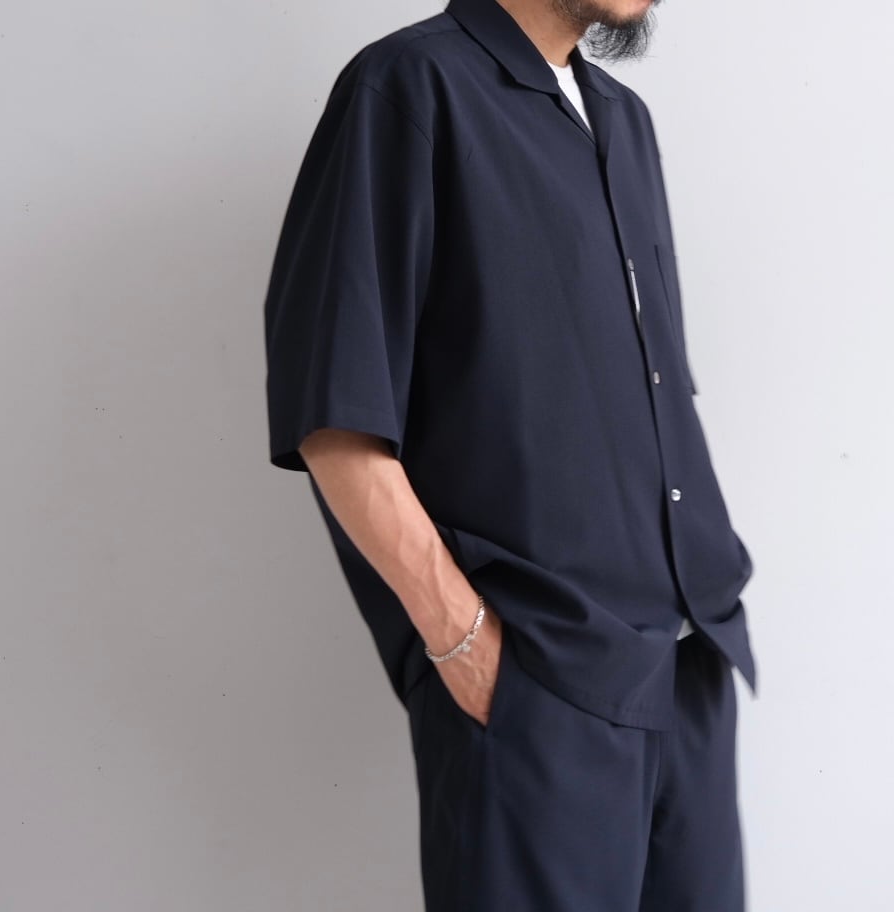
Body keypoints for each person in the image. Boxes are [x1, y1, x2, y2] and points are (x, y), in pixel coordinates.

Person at [263, 0, 759, 909]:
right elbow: (336, 417)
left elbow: (647, 398)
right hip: (538, 686)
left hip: (688, 673)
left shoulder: (625, 121)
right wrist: (465, 644)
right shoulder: (409, 86)